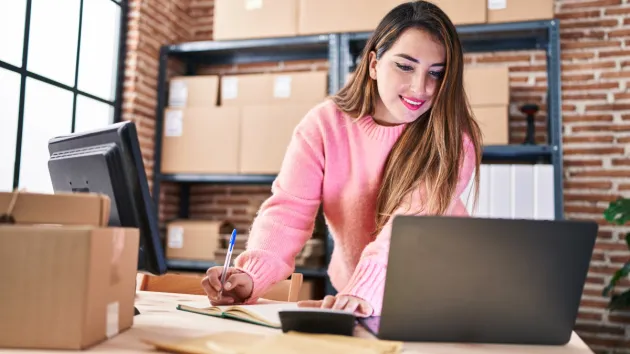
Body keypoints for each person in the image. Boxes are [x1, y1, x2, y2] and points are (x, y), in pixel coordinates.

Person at [201, 0, 483, 317]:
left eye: (436, 73)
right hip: (359, 295)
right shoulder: (323, 125)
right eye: (405, 66)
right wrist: (251, 275)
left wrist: (361, 291)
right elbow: (288, 212)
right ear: (374, 64)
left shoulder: (453, 141)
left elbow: (407, 229)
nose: (420, 87)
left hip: (441, 299)